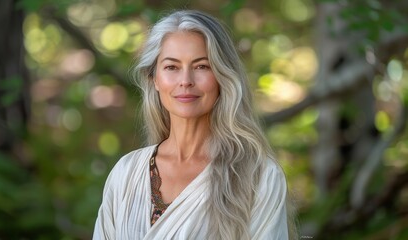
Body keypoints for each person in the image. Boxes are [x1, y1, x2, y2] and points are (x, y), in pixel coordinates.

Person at [93, 10, 294, 240]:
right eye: (172, 67)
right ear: (154, 79)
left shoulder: (260, 177)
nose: (186, 80)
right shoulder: (126, 173)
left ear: (222, 77)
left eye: (201, 66)